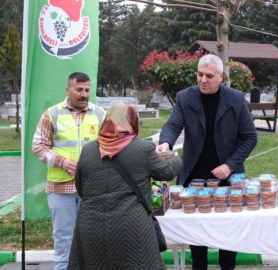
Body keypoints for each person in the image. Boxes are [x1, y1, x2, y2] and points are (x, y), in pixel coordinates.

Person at [156, 54, 257, 270]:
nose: (203, 80)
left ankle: (227, 266)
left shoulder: (236, 98)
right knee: (197, 230)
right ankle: (198, 266)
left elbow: (250, 137)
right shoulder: (185, 97)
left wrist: (230, 165)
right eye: (200, 75)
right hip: (194, 175)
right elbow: (173, 124)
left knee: (229, 228)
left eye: (209, 76)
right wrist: (166, 143)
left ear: (221, 76)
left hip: (227, 177)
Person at [67, 104, 183, 270]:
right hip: (131, 228)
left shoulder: (88, 150)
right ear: (133, 122)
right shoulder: (143, 148)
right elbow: (167, 172)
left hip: (90, 228)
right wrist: (175, 158)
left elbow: (81, 189)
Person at [32, 72, 105, 270]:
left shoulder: (100, 114)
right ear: (68, 90)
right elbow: (38, 146)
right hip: (60, 188)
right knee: (63, 239)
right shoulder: (52, 113)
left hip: (91, 189)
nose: (84, 94)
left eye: (87, 90)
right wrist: (60, 161)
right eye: (79, 89)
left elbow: (109, 147)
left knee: (92, 237)